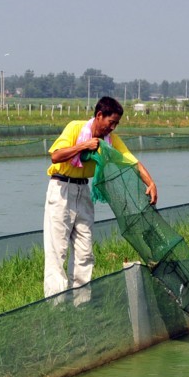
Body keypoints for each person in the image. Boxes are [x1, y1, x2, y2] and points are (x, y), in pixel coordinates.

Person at [43, 96, 157, 298]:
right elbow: (56, 156)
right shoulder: (75, 128)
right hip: (61, 188)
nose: (112, 127)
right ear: (99, 116)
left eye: (116, 124)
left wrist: (150, 183)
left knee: (84, 252)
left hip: (83, 191)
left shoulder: (109, 141)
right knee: (57, 251)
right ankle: (56, 303)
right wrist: (83, 146)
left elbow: (132, 162)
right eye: (110, 122)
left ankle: (81, 302)